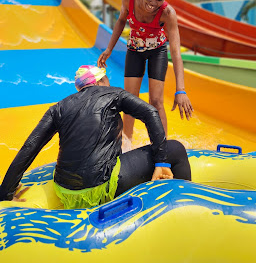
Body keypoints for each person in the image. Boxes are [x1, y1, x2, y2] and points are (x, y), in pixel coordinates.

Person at [0, 65, 191, 209]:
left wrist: (6, 192)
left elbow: (30, 146)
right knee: (175, 148)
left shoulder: (58, 107)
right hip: (103, 185)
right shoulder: (112, 93)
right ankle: (186, 206)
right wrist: (161, 163)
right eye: (106, 79)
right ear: (99, 82)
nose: (108, 83)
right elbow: (151, 113)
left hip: (65, 191)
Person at [97, 0, 193, 146]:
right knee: (130, 99)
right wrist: (109, 48)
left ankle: (161, 146)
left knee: (156, 101)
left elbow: (176, 53)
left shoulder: (168, 13)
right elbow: (120, 20)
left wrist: (181, 90)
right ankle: (127, 143)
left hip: (157, 52)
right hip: (134, 50)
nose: (153, 3)